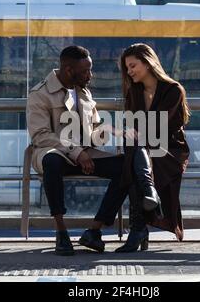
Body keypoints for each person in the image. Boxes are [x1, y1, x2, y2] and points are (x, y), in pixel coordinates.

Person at [26, 45, 126, 256]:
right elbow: (41, 135)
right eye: (86, 71)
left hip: (86, 155)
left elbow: (95, 129)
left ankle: (94, 231)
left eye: (90, 70)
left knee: (127, 166)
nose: (91, 75)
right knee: (51, 162)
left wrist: (111, 130)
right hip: (54, 153)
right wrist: (76, 152)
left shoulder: (84, 92)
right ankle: (61, 232)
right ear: (69, 70)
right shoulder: (40, 94)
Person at [115, 43, 190, 253]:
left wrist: (135, 134)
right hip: (144, 147)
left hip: (170, 149)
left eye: (132, 66)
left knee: (133, 160)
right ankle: (146, 202)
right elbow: (131, 126)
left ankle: (138, 229)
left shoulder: (173, 90)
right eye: (127, 68)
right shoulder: (134, 92)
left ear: (148, 63)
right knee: (134, 155)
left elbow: (158, 126)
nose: (129, 72)